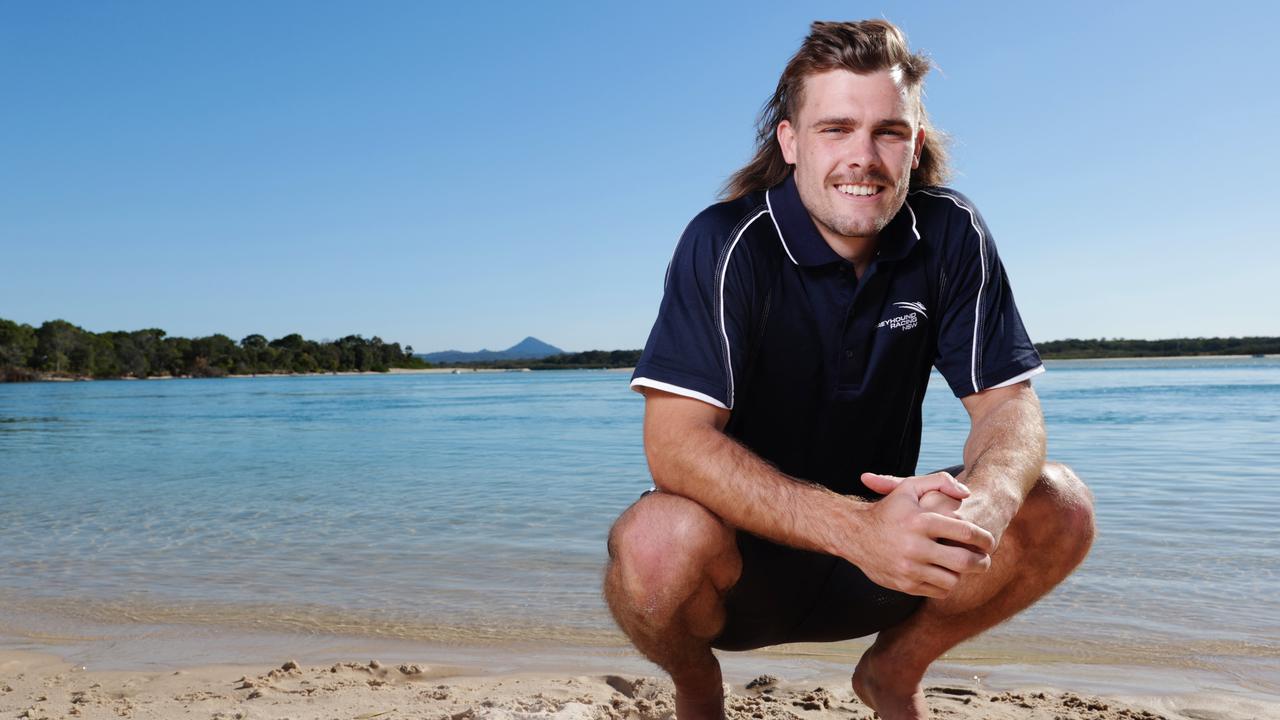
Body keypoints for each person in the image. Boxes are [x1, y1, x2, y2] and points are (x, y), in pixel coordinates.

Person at [603, 19, 1095, 720]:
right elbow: (675, 444)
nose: (863, 157)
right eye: (836, 129)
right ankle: (696, 686)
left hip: (891, 564)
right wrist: (854, 527)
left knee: (1061, 504)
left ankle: (894, 669)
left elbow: (1007, 406)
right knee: (655, 543)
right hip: (743, 574)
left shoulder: (949, 231)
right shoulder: (725, 242)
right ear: (791, 142)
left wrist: (988, 499)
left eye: (888, 131)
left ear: (914, 143)